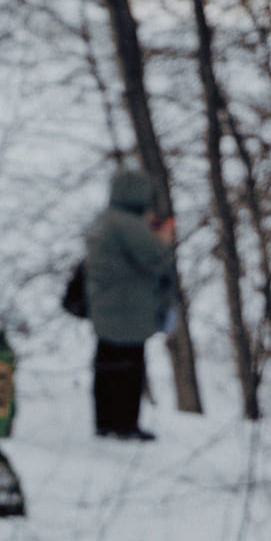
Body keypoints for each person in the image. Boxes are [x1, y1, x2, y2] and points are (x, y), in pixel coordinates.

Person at [83, 168, 177, 441]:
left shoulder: (104, 219)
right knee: (130, 369)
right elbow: (157, 258)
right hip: (129, 308)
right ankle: (125, 425)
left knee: (106, 366)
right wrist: (164, 238)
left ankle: (105, 422)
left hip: (105, 305)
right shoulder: (129, 224)